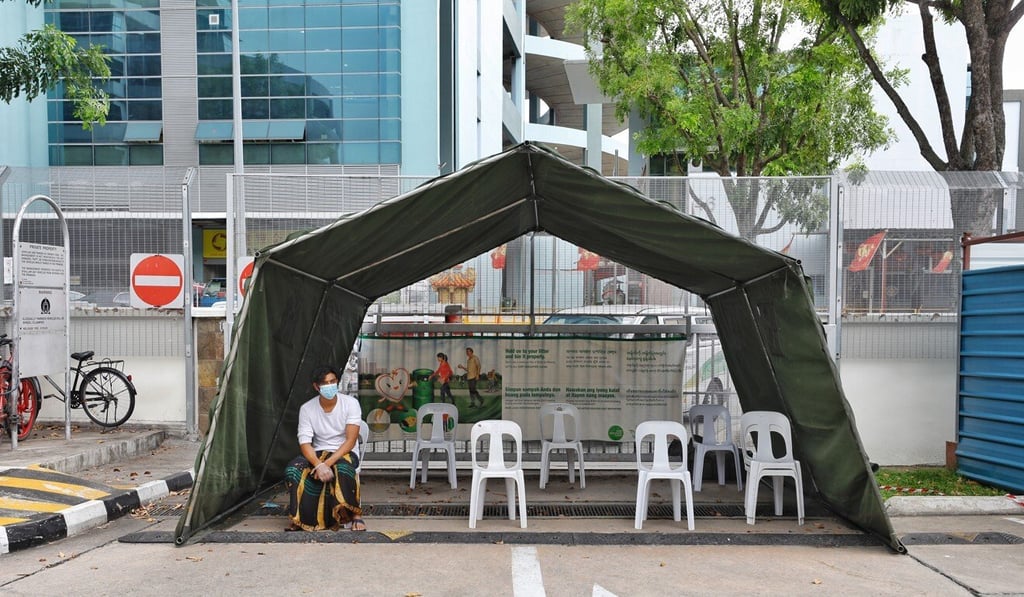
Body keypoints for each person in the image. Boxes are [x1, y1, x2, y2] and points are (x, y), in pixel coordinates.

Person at [284, 365, 366, 532]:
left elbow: (350, 440)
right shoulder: (307, 408)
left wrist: (327, 463)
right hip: (319, 453)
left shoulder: (351, 404)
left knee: (342, 468)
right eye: (325, 383)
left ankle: (353, 515)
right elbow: (305, 442)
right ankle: (301, 518)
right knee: (293, 470)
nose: (330, 386)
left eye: (333, 381)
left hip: (345, 451)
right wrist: (318, 464)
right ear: (316, 386)